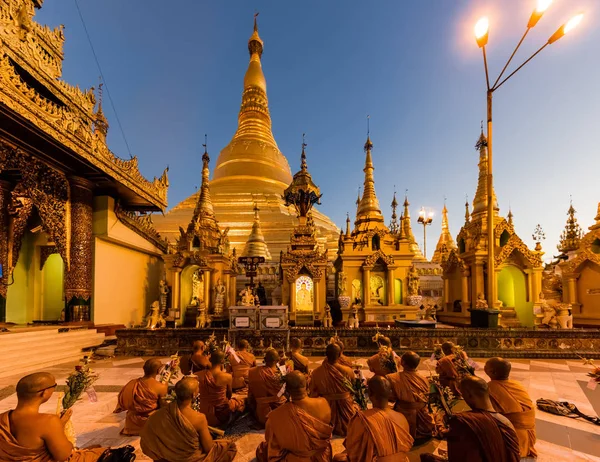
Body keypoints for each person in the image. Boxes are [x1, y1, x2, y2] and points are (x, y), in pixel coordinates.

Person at [0, 372, 124, 461]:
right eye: (53, 387)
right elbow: (63, 456)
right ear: (44, 392)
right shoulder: (49, 421)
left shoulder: (2, 418)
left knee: (93, 448)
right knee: (111, 455)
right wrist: (60, 426)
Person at [420, 376, 520, 462]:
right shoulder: (506, 422)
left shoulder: (463, 421)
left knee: (426, 458)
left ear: (469, 394)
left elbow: (456, 454)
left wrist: (439, 421)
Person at [141, 377, 237, 462]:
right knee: (229, 447)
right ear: (194, 395)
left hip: (166, 458)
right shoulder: (199, 418)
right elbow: (208, 448)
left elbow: (146, 442)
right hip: (189, 458)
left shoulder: (158, 414)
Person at [256, 371, 333, 461]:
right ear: (307, 386)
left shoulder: (275, 416)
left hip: (295, 459)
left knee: (262, 450)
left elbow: (271, 441)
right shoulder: (323, 403)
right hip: (322, 457)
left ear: (286, 392)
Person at [333, 376, 414, 462]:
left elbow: (353, 452)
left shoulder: (361, 419)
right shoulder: (402, 417)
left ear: (370, 393)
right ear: (390, 393)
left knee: (338, 458)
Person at [485, 357, 537, 460]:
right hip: (529, 436)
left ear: (492, 372)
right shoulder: (517, 384)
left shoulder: (490, 388)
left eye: (486, 365)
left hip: (513, 438)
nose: (484, 367)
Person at [309, 343, 358, 436]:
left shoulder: (316, 373)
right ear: (340, 355)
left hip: (326, 406)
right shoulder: (348, 370)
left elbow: (313, 393)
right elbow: (353, 388)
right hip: (346, 406)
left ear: (326, 355)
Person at [387, 351, 435, 442]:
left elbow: (391, 397)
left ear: (403, 363)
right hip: (423, 420)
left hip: (404, 415)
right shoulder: (424, 379)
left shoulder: (392, 378)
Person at [113, 358, 168, 435]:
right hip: (150, 421)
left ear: (143, 368)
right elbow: (163, 407)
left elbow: (122, 401)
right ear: (159, 371)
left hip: (131, 421)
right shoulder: (161, 387)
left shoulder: (132, 383)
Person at [195, 351, 246, 428]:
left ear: (210, 359)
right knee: (242, 403)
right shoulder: (227, 376)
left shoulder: (198, 375)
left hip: (203, 412)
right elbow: (229, 395)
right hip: (221, 415)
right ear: (223, 361)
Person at [248, 349, 287, 426]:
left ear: (265, 359)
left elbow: (251, 393)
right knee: (287, 391)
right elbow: (281, 392)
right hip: (278, 411)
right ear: (277, 361)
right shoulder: (278, 376)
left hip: (261, 413)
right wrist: (284, 369)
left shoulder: (252, 371)